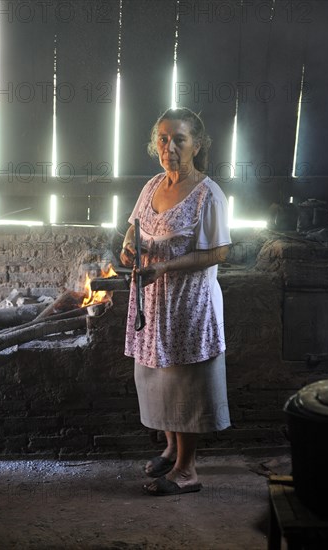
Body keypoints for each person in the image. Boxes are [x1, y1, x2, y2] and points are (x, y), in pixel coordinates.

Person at [120, 107, 231, 496]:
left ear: (196, 145)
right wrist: (129, 249)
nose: (170, 147)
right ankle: (170, 448)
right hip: (153, 304)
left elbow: (218, 253)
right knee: (158, 381)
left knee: (185, 385)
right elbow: (133, 229)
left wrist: (165, 268)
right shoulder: (152, 186)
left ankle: (187, 471)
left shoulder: (208, 194)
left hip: (189, 305)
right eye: (164, 138)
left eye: (179, 139)